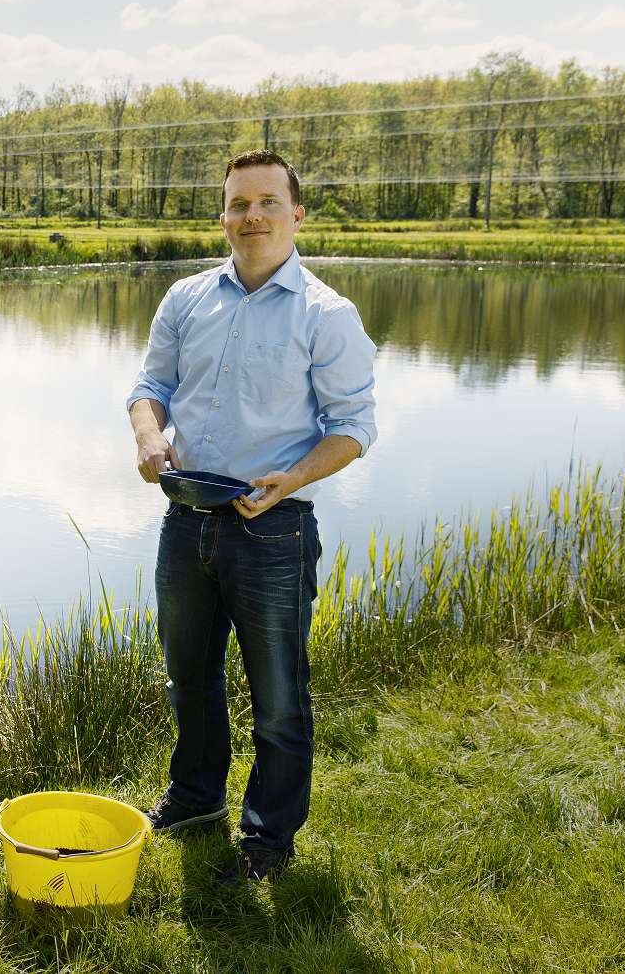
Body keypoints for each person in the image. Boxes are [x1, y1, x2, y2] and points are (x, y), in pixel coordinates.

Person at [125, 149, 377, 886]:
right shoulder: (186, 298)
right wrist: (148, 435)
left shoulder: (328, 315)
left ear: (297, 214)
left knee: (277, 696)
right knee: (188, 678)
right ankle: (198, 797)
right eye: (239, 204)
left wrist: (294, 475)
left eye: (268, 202)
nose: (252, 217)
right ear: (224, 215)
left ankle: (267, 842)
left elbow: (355, 427)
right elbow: (151, 387)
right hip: (188, 520)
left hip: (275, 527)